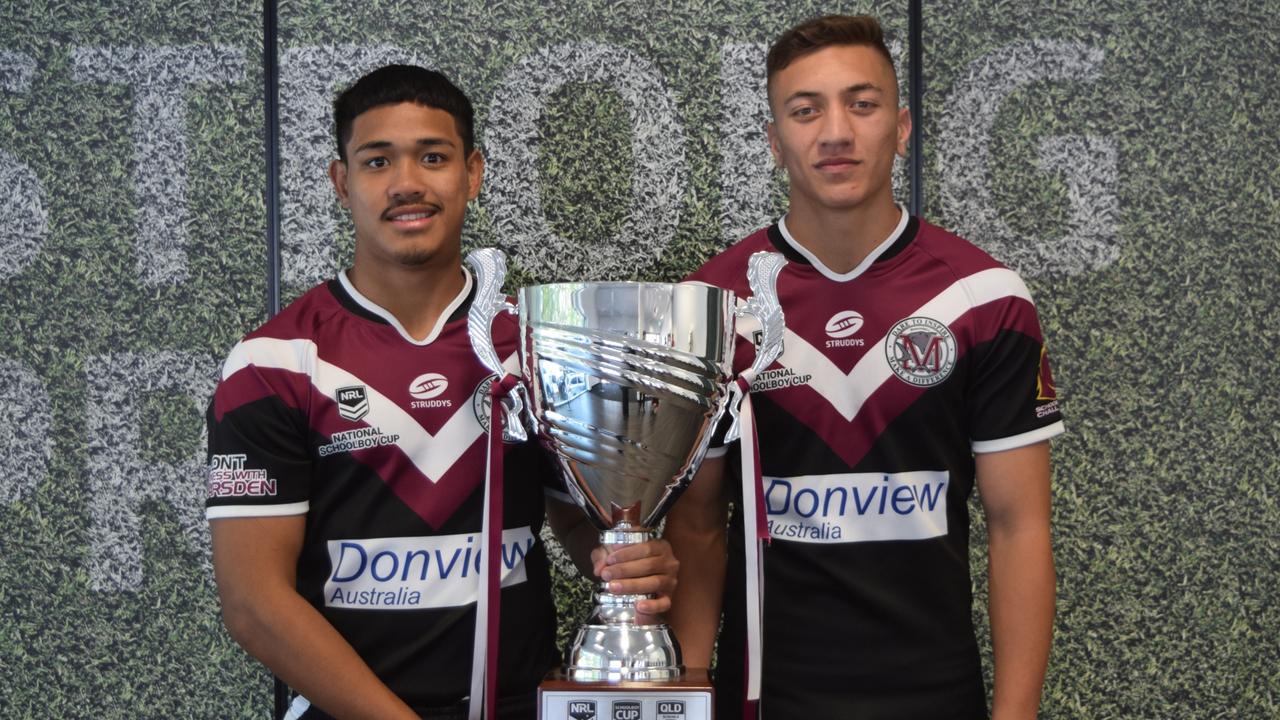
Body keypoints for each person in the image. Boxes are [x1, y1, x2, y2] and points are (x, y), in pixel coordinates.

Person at [205, 64, 677, 720]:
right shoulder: (275, 364)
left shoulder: (536, 345)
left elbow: (574, 512)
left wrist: (625, 558)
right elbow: (255, 603)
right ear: (341, 182)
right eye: (377, 162)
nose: (406, 184)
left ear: (473, 173)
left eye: (433, 157)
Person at [664, 15, 1064, 720]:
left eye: (863, 103)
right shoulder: (713, 306)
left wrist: (1017, 714)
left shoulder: (984, 299)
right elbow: (696, 528)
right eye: (805, 110)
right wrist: (690, 686)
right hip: (765, 697)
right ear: (774, 141)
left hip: (937, 696)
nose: (837, 131)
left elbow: (1018, 525)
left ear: (902, 127)